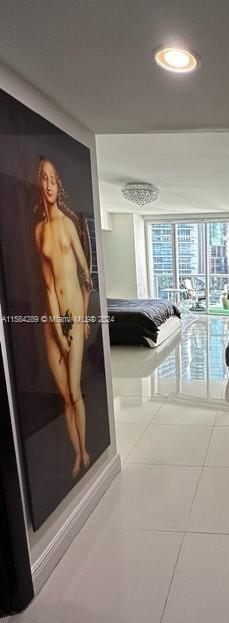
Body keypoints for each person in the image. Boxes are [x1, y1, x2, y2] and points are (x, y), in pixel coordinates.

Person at [34, 157, 92, 477]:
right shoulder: (39, 231)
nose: (50, 185)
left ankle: (86, 452)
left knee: (75, 390)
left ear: (59, 184)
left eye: (54, 178)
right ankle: (78, 454)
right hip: (52, 321)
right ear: (39, 183)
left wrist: (85, 318)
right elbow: (47, 286)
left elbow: (86, 277)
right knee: (65, 398)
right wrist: (56, 330)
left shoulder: (68, 225)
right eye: (44, 178)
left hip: (74, 316)